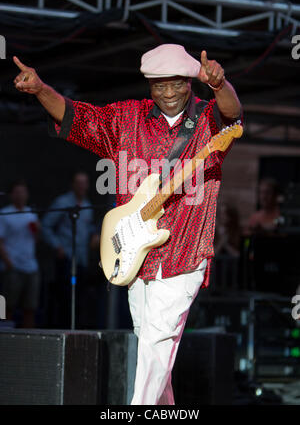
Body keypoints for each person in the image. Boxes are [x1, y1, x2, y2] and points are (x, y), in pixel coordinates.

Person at [12, 44, 242, 405]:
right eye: (159, 86)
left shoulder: (208, 120)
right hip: (136, 253)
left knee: (156, 339)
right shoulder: (126, 118)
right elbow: (77, 119)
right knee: (151, 343)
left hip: (184, 252)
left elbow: (233, 113)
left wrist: (220, 84)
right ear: (148, 86)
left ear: (189, 83)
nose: (168, 94)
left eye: (176, 85)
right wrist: (41, 89)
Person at [41, 171, 96, 328]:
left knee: (79, 299)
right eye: (78, 182)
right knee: (64, 299)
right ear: (73, 185)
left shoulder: (87, 205)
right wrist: (57, 246)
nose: (82, 186)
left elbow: (88, 227)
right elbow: (46, 225)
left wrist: (93, 236)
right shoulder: (63, 202)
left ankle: (77, 332)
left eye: (84, 182)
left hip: (82, 259)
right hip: (66, 257)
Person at [0, 179, 40, 327]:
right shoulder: (5, 214)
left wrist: (37, 230)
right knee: (8, 306)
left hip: (31, 266)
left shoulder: (31, 213)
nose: (20, 195)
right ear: (11, 195)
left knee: (30, 307)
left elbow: (35, 239)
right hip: (13, 267)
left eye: (23, 192)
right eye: (17, 192)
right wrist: (9, 264)